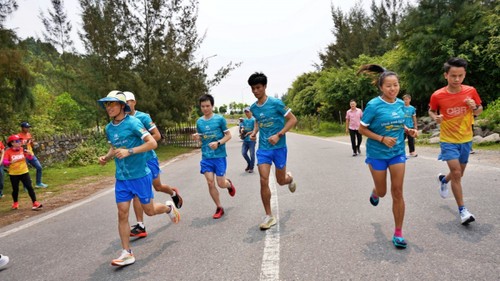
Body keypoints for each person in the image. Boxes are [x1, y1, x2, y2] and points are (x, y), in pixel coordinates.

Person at [97, 91, 180, 267]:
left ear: (122, 106)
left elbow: (153, 143)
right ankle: (127, 252)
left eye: (112, 104)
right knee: (122, 213)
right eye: (107, 105)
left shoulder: (134, 123)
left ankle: (167, 208)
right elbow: (114, 148)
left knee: (149, 210)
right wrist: (106, 157)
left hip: (140, 175)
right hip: (122, 177)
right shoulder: (109, 128)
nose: (109, 108)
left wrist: (130, 151)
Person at [357, 64, 418, 249]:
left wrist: (409, 130)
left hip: (397, 152)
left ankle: (398, 233)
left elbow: (400, 124)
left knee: (398, 191)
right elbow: (361, 128)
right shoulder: (373, 105)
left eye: (396, 85)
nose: (393, 89)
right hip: (377, 153)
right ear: (381, 87)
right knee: (383, 191)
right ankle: (375, 192)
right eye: (389, 86)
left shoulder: (401, 104)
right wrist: (381, 138)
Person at [428, 57, 482, 225]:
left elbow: (479, 111)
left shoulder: (471, 91)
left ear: (464, 75)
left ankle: (444, 180)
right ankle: (463, 211)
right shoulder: (438, 95)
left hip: (466, 138)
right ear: (446, 75)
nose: (456, 79)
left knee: (459, 173)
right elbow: (431, 111)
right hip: (448, 139)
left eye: (460, 75)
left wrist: (474, 107)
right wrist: (436, 117)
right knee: (457, 173)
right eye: (453, 76)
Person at [124, 91, 184, 238]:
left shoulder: (143, 117)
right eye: (124, 102)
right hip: (135, 163)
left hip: (148, 158)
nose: (127, 104)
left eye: (129, 101)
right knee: (136, 193)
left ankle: (173, 193)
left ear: (134, 102)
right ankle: (140, 225)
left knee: (157, 187)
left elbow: (157, 136)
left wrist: (139, 145)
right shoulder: (122, 121)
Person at [247, 72, 298, 230]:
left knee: (280, 181)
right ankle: (269, 216)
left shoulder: (276, 103)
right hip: (263, 149)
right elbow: (258, 121)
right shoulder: (254, 108)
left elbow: (293, 119)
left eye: (258, 87)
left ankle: (289, 179)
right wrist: (255, 132)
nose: (255, 91)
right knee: (263, 180)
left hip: (279, 147)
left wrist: (279, 134)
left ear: (264, 87)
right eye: (253, 88)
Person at [192, 94, 236, 219]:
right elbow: (202, 139)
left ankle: (229, 184)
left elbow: (228, 136)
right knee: (210, 183)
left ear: (212, 106)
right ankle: (219, 207)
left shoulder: (220, 119)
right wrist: (197, 137)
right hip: (206, 157)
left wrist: (218, 143)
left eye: (207, 106)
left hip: (219, 156)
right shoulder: (199, 122)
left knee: (221, 183)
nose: (205, 108)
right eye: (202, 106)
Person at [3, 134, 43, 210]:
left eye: (20, 141)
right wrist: (11, 162)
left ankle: (35, 202)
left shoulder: (22, 149)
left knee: (29, 187)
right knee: (15, 189)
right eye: (17, 141)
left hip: (24, 172)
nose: (19, 142)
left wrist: (30, 154)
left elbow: (29, 157)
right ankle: (15, 203)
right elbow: (5, 162)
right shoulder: (8, 152)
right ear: (12, 143)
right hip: (14, 174)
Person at [18, 122, 48, 188]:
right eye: (26, 127)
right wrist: (24, 143)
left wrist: (32, 142)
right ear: (22, 128)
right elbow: (17, 146)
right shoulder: (18, 136)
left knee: (39, 167)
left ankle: (38, 183)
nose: (28, 129)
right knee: (24, 171)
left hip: (31, 154)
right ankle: (26, 186)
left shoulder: (29, 134)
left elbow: (31, 145)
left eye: (28, 127)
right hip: (23, 155)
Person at [240, 107, 257, 173]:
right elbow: (243, 127)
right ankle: (249, 163)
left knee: (252, 154)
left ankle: (251, 167)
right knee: (243, 153)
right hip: (245, 139)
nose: (246, 113)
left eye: (247, 111)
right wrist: (242, 130)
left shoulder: (254, 120)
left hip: (251, 139)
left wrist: (249, 133)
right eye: (245, 112)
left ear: (251, 112)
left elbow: (255, 129)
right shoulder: (245, 120)